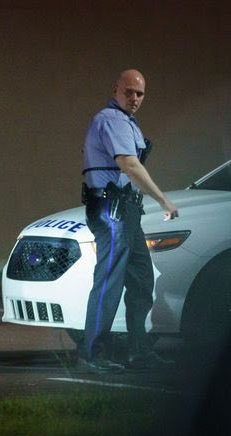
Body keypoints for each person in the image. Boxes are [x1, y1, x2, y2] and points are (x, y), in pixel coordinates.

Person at [78, 69, 179, 373]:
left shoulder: (127, 123)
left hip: (126, 211)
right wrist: (163, 199)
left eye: (140, 94)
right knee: (109, 282)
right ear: (116, 90)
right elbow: (129, 165)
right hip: (112, 210)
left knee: (141, 279)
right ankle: (91, 355)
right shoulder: (111, 120)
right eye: (129, 92)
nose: (134, 98)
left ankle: (138, 350)